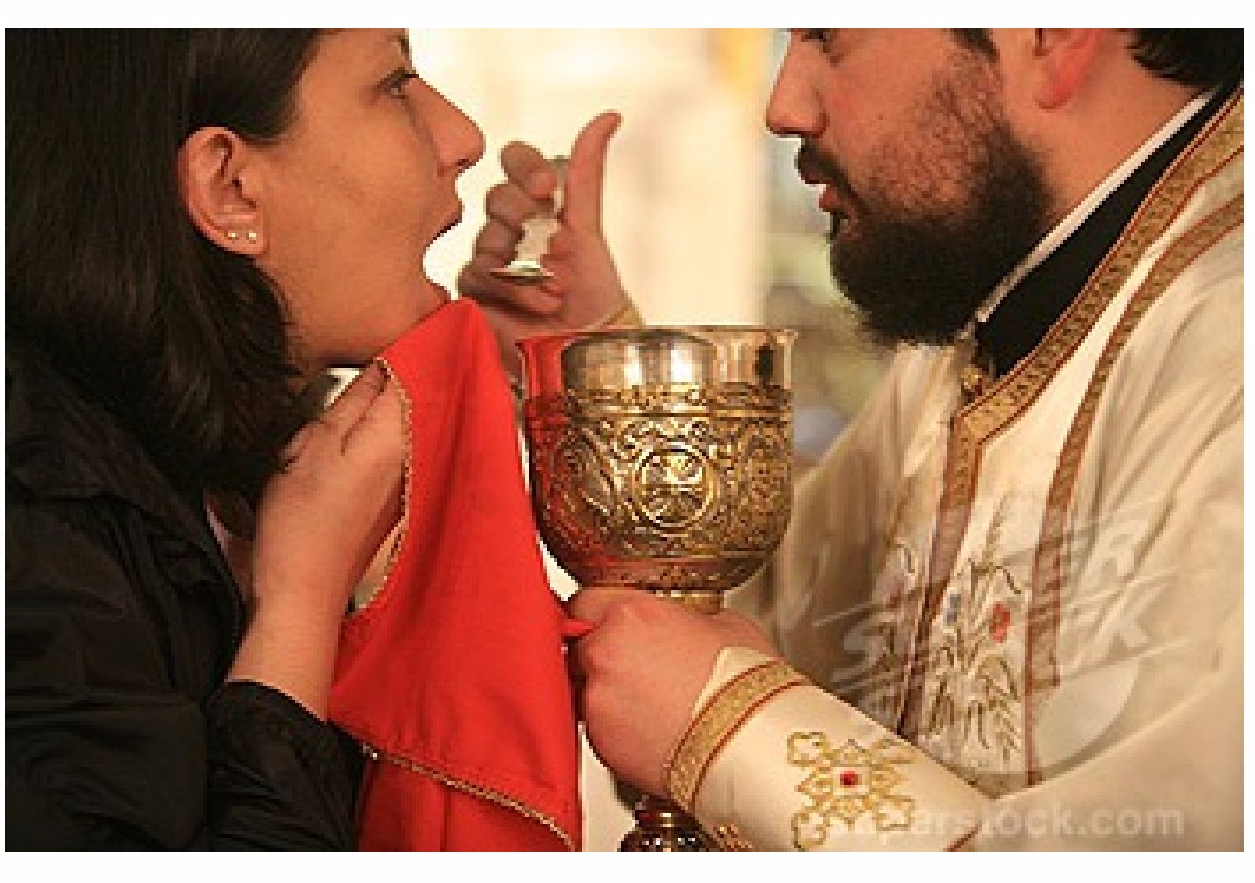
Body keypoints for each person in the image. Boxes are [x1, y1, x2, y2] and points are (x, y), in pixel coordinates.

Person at [458, 29, 1243, 849]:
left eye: (828, 37)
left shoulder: (1225, 341)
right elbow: (752, 641)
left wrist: (724, 730)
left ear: (1051, 34)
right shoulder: (974, 328)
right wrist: (619, 399)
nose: (782, 106)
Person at [6, 29, 488, 848]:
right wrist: (297, 607)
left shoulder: (242, 448)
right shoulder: (33, 523)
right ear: (230, 189)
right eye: (394, 81)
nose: (462, 137)